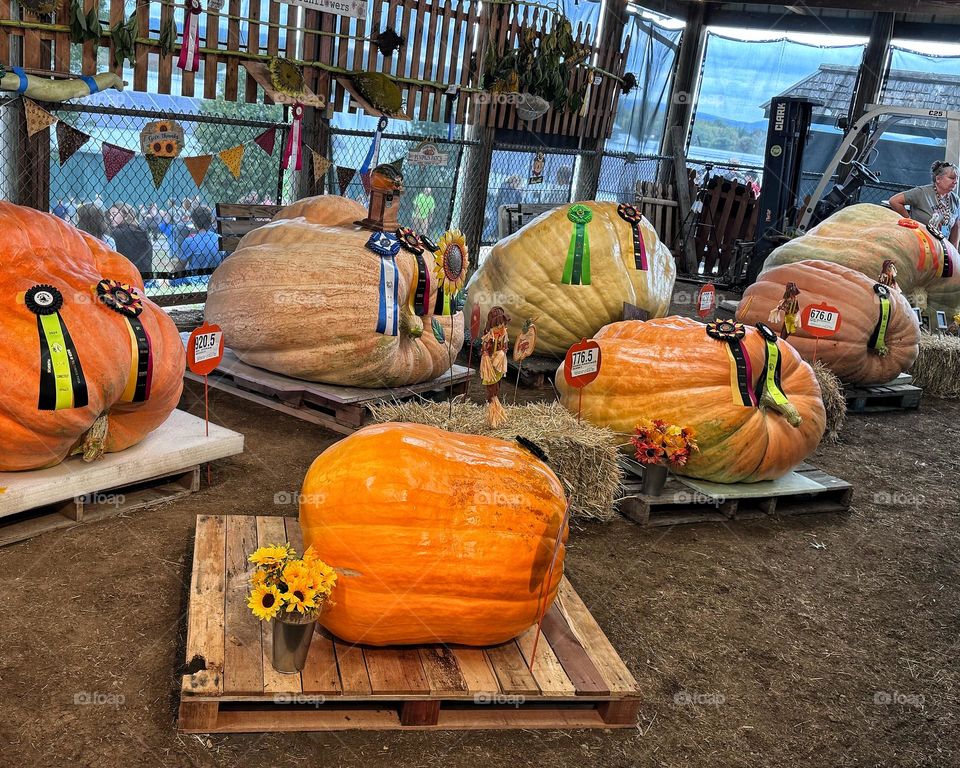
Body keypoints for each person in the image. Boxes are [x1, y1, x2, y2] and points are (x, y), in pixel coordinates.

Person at [888, 160, 960, 248]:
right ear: (938, 179)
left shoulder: (955, 199)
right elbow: (894, 201)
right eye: (952, 178)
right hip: (920, 245)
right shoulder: (922, 192)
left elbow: (956, 225)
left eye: (957, 178)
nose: (955, 181)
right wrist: (909, 221)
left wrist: (954, 251)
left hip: (942, 249)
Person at [173, 205, 223, 287]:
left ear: (193, 221)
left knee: (173, 280)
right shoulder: (219, 238)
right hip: (216, 280)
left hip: (194, 282)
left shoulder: (189, 241)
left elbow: (180, 267)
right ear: (211, 220)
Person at [110, 203, 153, 275]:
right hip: (144, 275)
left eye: (114, 214)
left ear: (126, 216)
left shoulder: (117, 233)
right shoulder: (142, 231)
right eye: (110, 215)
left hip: (125, 275)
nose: (111, 217)